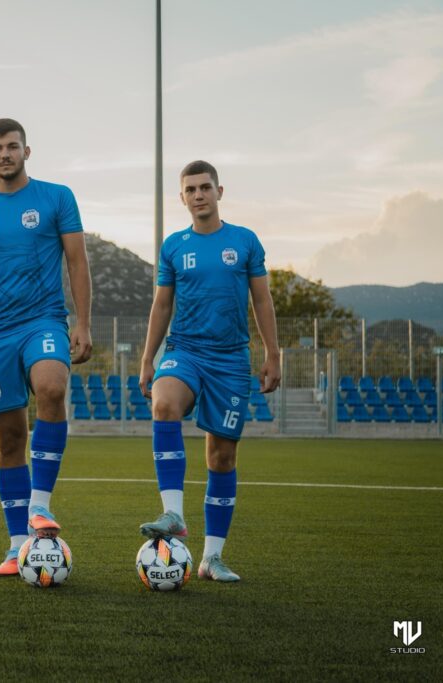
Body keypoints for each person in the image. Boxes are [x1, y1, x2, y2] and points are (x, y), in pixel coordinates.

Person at [0, 118, 92, 577]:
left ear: (26, 151)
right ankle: (18, 547)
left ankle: (39, 505)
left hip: (44, 320)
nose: (5, 154)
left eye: (12, 146)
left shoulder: (57, 197)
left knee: (52, 388)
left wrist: (83, 322)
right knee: (10, 437)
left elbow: (77, 260)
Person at [138, 160, 280, 582]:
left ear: (220, 192)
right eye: (190, 189)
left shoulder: (244, 241)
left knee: (221, 457)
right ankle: (173, 514)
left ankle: (211, 559)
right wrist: (148, 358)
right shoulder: (173, 246)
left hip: (230, 360)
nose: (198, 195)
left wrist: (273, 354)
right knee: (164, 404)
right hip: (185, 350)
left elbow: (262, 300)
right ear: (181, 197)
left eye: (205, 187)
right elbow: (162, 304)